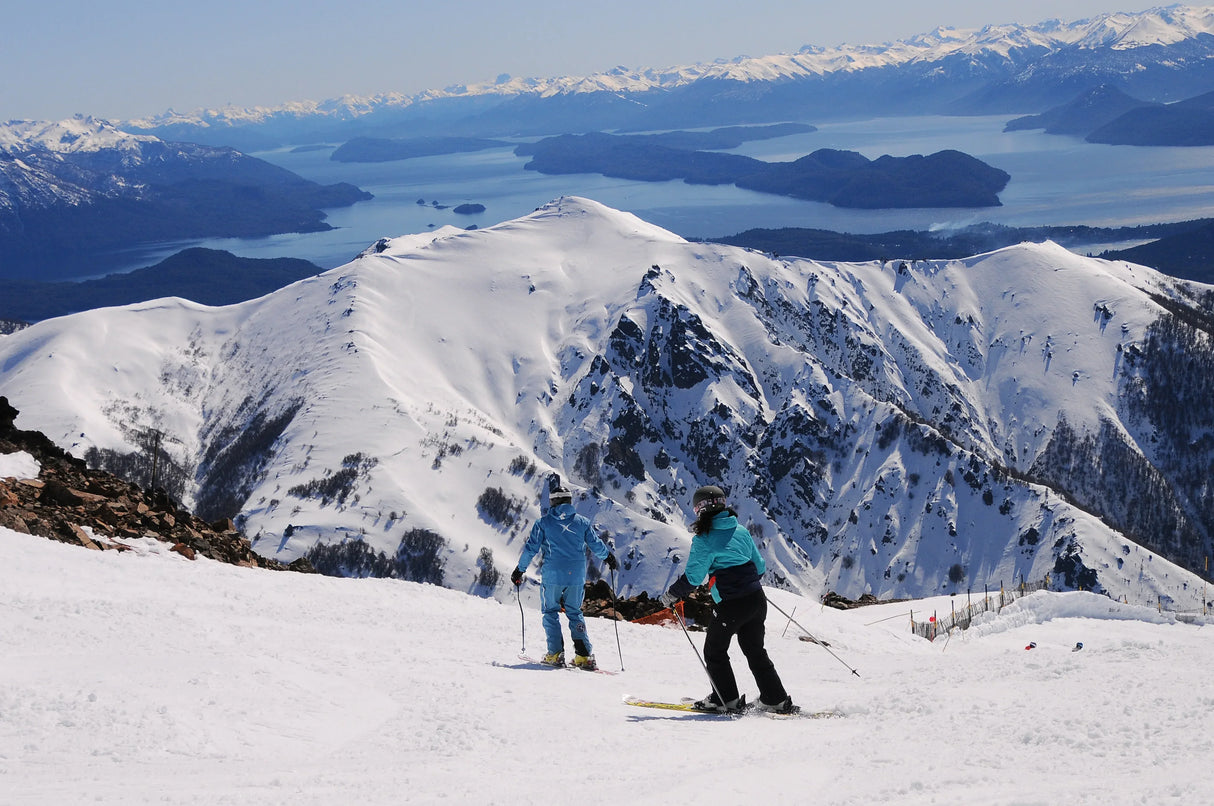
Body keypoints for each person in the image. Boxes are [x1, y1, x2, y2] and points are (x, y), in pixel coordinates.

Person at [659, 484, 798, 714]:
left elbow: (694, 578)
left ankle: (725, 700)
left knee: (714, 650)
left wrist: (671, 594)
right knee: (755, 650)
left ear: (699, 509)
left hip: (732, 604)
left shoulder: (704, 539)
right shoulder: (740, 530)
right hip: (757, 600)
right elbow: (760, 567)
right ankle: (775, 699)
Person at [512, 486, 617, 670]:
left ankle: (555, 654)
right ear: (569, 501)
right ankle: (584, 656)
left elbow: (531, 549)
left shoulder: (543, 523)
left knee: (550, 612)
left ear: (553, 501)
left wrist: (519, 570)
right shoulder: (582, 522)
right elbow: (595, 544)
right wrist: (608, 557)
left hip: (552, 576)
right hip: (576, 576)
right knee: (575, 613)